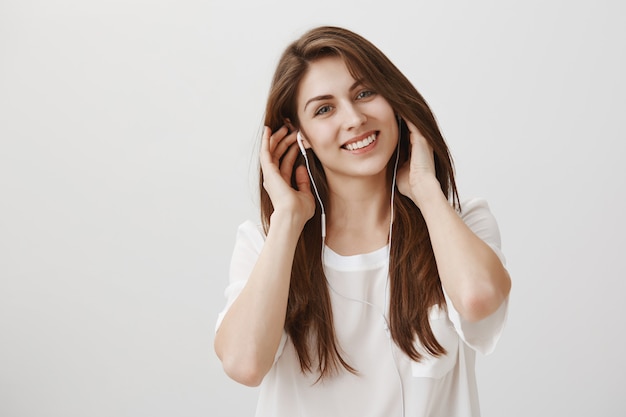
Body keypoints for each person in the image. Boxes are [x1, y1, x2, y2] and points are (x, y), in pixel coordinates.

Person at [214, 25, 511, 417]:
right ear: (298, 136)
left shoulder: (461, 223)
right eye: (324, 109)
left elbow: (478, 299)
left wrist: (424, 189)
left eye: (365, 93)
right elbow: (244, 364)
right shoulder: (264, 245)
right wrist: (288, 219)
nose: (354, 118)